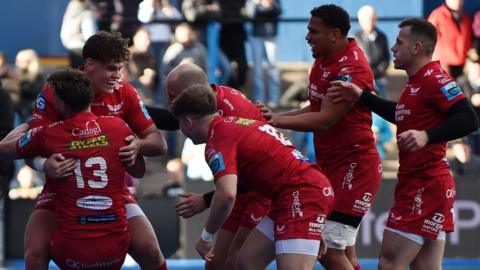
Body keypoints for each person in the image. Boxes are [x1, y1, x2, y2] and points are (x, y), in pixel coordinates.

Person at [327, 18, 479, 269]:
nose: (393, 48)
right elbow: (402, 113)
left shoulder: (433, 78)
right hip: (431, 185)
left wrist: (426, 135)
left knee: (389, 262)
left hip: (424, 184)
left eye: (399, 42)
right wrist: (363, 97)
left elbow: (469, 118)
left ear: (416, 47)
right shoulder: (418, 82)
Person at [21, 31, 168, 270]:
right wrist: (43, 165)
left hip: (111, 191)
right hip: (61, 191)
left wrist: (137, 145)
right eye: (111, 68)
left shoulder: (125, 92)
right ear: (89, 65)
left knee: (150, 250)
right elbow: (28, 147)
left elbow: (159, 143)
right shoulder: (56, 91)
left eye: (120, 69)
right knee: (34, 254)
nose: (117, 76)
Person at [257, 5, 381, 270]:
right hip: (331, 164)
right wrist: (274, 117)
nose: (307, 37)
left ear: (335, 34)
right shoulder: (324, 57)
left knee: (328, 249)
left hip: (353, 168)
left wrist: (278, 121)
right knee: (343, 252)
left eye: (313, 31)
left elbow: (324, 119)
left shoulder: (352, 69)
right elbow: (316, 107)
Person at [170, 83, 334, 270]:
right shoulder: (236, 123)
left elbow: (227, 195)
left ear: (188, 122)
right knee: (246, 262)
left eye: (179, 123)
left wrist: (206, 237)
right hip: (294, 195)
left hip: (301, 194)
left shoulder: (218, 140)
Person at [0, 69, 146, 269]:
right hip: (115, 250)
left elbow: (3, 149)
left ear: (61, 103)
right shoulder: (118, 126)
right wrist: (136, 148)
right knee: (152, 252)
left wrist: (30, 125)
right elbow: (139, 172)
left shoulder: (48, 133)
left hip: (70, 251)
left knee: (35, 253)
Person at [164, 62, 271, 270]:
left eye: (171, 95)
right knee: (216, 264)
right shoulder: (212, 112)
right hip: (246, 189)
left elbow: (236, 188)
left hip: (263, 191)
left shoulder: (224, 129)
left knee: (239, 262)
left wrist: (205, 211)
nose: (169, 102)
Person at [246, 0, 282, 108]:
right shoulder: (253, 2)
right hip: (256, 36)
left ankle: (274, 99)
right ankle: (259, 100)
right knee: (257, 69)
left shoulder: (274, 1)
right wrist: (261, 6)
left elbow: (278, 11)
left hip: (271, 35)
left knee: (273, 67)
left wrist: (269, 6)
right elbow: (251, 14)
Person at [428, 0, 473, 79]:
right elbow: (430, 43)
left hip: (463, 68)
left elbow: (469, 42)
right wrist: (441, 65)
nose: (458, 1)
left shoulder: (466, 18)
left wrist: (469, 61)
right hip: (444, 67)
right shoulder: (437, 16)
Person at [354, 5, 390, 98]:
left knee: (381, 104)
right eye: (366, 19)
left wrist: (377, 72)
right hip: (361, 79)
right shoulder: (355, 37)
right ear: (360, 20)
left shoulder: (382, 36)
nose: (369, 22)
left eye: (372, 19)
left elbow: (386, 58)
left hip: (379, 77)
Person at [60, 0, 98, 68]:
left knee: (75, 75)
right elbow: (89, 35)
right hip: (83, 49)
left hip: (71, 49)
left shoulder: (69, 14)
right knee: (84, 76)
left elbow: (64, 34)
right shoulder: (87, 14)